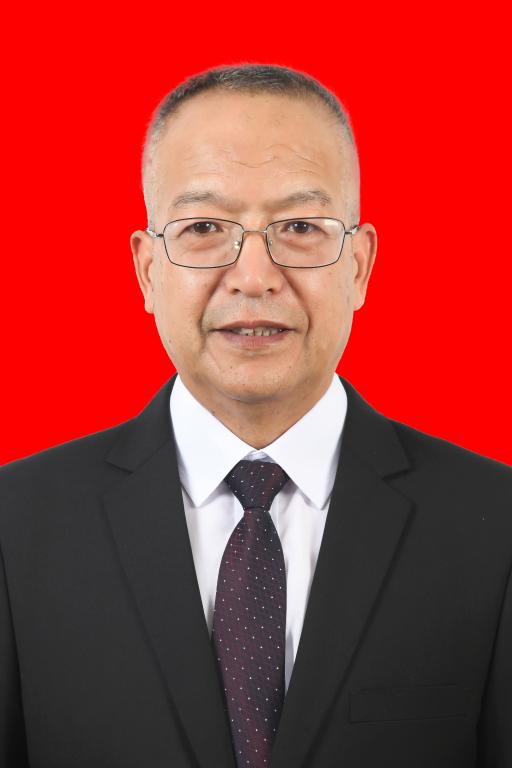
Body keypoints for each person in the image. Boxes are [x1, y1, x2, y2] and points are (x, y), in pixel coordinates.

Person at [0, 63, 511, 768]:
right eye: (204, 227)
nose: (254, 276)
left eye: (299, 226)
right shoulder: (16, 525)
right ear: (147, 270)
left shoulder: (495, 525)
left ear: (359, 265)